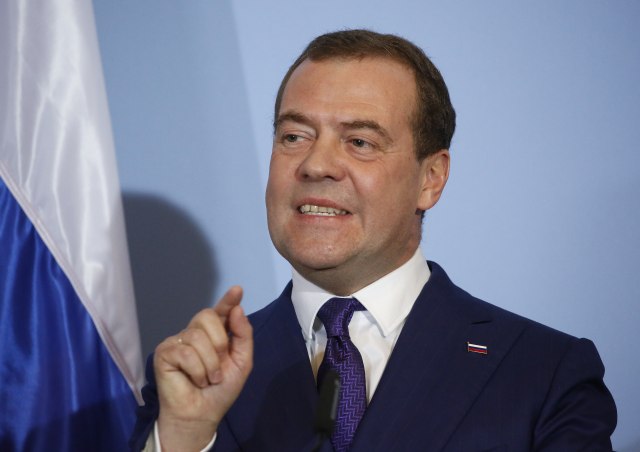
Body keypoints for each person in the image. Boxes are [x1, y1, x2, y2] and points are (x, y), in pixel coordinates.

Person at [130, 29, 617, 451]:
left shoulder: (543, 372)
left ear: (431, 179)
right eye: (294, 136)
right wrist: (184, 437)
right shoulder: (191, 380)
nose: (316, 165)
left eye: (359, 142)